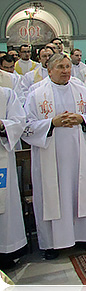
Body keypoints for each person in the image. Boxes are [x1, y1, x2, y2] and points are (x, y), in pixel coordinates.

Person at [22, 53, 86, 260]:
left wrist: (81, 119)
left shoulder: (83, 91)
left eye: (68, 66)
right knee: (54, 195)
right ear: (49, 70)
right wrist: (51, 123)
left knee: (80, 192)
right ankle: (53, 243)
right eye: (60, 67)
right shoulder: (36, 94)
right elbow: (26, 127)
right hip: (51, 154)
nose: (66, 70)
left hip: (79, 154)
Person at [0, 85, 27, 269]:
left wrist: (3, 125)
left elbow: (19, 121)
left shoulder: (5, 94)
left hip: (1, 155)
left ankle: (6, 250)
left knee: (5, 203)